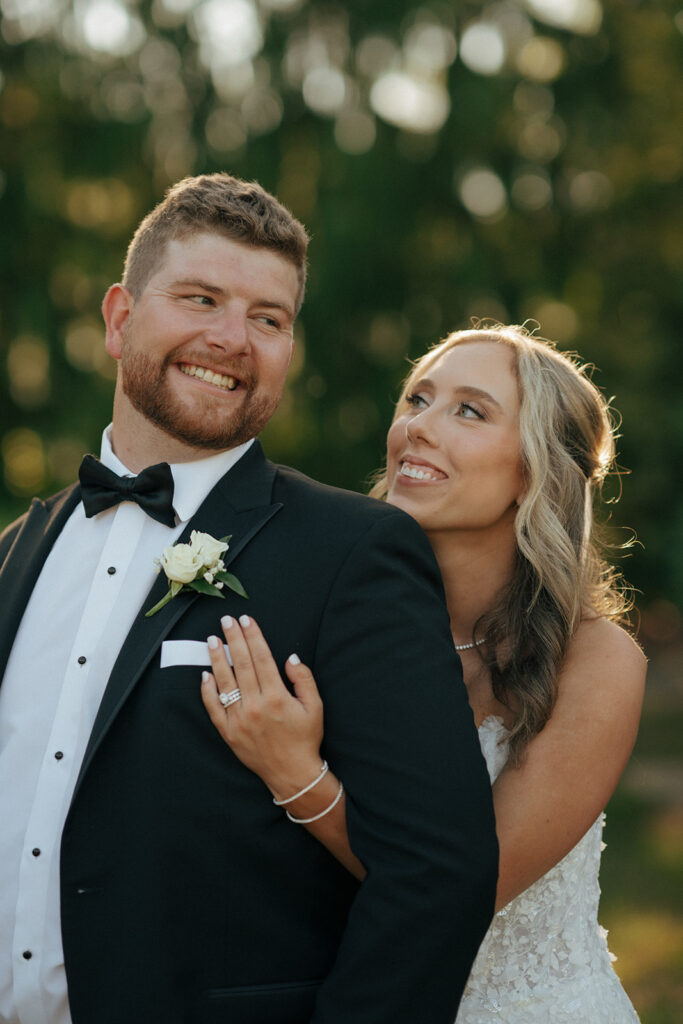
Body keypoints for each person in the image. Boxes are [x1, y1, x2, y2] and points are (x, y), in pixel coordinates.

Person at [0, 174, 498, 1024]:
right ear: (120, 320)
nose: (233, 338)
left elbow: (438, 874)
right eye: (201, 299)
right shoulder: (17, 553)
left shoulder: (355, 553)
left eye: (268, 319)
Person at [200, 325, 647, 1023]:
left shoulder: (595, 661)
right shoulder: (330, 618)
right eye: (417, 399)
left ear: (533, 469)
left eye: (468, 411)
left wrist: (298, 776)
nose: (417, 428)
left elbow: (463, 881)